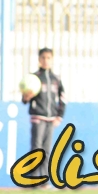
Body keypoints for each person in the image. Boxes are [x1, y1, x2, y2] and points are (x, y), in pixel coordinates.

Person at [22, 47, 66, 179]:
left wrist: (59, 116)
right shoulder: (34, 78)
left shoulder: (56, 79)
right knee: (36, 148)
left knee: (47, 150)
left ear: (52, 60)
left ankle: (45, 179)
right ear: (39, 59)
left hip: (51, 119)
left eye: (48, 58)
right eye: (43, 58)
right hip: (38, 117)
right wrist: (26, 97)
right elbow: (25, 99)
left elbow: (63, 98)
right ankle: (35, 178)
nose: (46, 60)